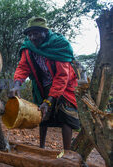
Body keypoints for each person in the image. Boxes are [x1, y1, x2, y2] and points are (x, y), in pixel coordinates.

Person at [8, 17, 80, 150]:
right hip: (42, 84)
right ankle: (41, 147)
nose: (32, 37)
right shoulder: (28, 47)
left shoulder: (59, 45)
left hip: (65, 85)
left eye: (36, 33)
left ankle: (67, 152)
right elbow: (23, 67)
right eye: (29, 34)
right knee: (42, 114)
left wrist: (50, 100)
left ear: (45, 32)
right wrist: (17, 84)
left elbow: (62, 75)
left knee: (66, 115)